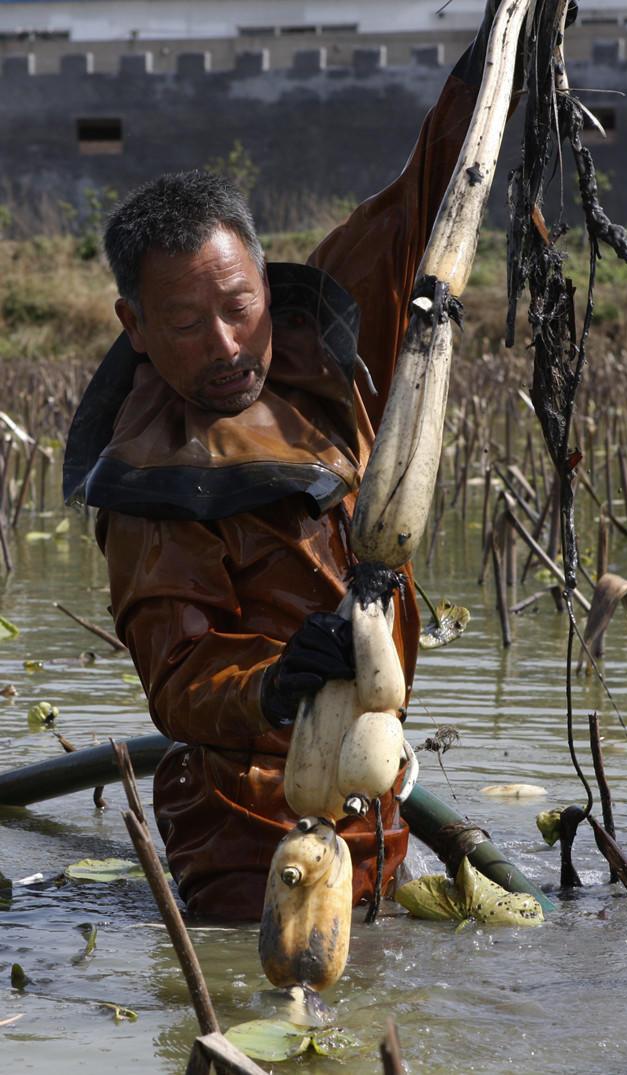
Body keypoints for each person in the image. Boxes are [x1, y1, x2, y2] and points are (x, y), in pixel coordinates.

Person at [64, 3, 506, 921]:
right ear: (136, 331)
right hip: (244, 839)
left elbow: (419, 197)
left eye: (239, 306)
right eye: (186, 324)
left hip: (371, 801)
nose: (226, 345)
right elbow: (182, 680)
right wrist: (277, 679)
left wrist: (501, 49)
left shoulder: (321, 341)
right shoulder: (153, 482)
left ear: (268, 286)